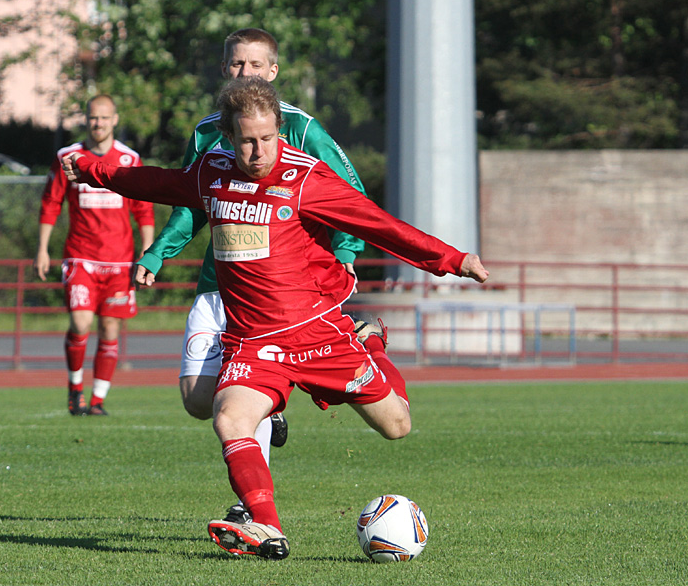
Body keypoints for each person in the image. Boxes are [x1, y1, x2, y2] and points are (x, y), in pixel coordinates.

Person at [62, 76, 490, 559]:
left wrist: (453, 260)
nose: (259, 150)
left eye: (268, 138)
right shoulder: (212, 172)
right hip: (252, 342)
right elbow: (157, 183)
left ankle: (369, 342)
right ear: (227, 135)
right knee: (228, 418)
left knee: (397, 426)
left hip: (317, 335)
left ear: (279, 131)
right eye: (247, 140)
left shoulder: (306, 178)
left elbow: (381, 225)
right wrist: (94, 170)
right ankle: (267, 527)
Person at [134, 28, 368, 498]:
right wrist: (157, 253)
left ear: (273, 72)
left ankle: (251, 509)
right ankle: (272, 400)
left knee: (241, 396)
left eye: (255, 65)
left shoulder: (303, 130)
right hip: (219, 280)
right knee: (198, 401)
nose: (246, 73)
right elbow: (191, 202)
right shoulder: (206, 132)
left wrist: (343, 258)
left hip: (286, 290)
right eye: (237, 65)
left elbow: (351, 197)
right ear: (224, 71)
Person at [34, 94, 155, 416]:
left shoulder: (129, 160)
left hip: (120, 262)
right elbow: (51, 203)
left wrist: (149, 252)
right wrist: (42, 249)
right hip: (81, 258)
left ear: (115, 119)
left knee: (110, 330)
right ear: (85, 120)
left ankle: (98, 399)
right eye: (92, 118)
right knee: (80, 321)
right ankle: (76, 389)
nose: (98, 123)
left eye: (104, 118)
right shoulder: (69, 157)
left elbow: (144, 211)